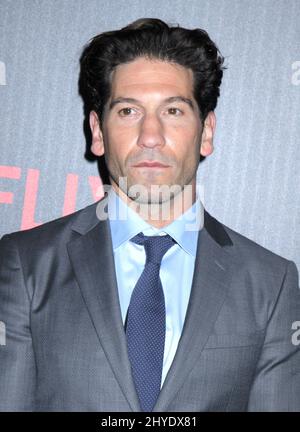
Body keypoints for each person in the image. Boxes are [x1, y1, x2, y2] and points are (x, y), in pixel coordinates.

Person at [0, 18, 299, 412]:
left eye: (173, 110)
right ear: (97, 131)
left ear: (206, 131)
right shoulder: (26, 264)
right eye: (128, 111)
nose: (151, 135)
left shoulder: (269, 283)